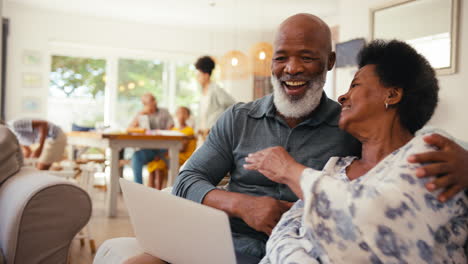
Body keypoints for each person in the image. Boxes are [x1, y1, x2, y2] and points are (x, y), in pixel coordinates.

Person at [127, 13, 468, 263]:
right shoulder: (238, 118)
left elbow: (398, 150)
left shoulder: (351, 128)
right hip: (222, 240)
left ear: (329, 62)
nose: (292, 68)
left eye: (306, 57)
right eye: (281, 58)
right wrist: (243, 205)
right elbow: (187, 181)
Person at [245, 39, 467, 263]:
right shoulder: (336, 166)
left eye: (355, 85)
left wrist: (290, 170)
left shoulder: (432, 153)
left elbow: (369, 218)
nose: (342, 97)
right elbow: (284, 230)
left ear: (391, 95)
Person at [146, 106, 196, 189]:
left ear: (188, 116)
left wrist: (163, 154)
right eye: (179, 113)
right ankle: (151, 190)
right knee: (154, 163)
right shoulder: (174, 130)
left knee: (159, 162)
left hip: (182, 156)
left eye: (184, 113)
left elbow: (182, 148)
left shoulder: (189, 130)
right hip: (171, 154)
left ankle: (159, 191)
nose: (181, 115)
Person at [129, 93, 174, 184]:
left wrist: (160, 132)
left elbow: (171, 127)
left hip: (163, 148)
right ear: (144, 104)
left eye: (154, 99)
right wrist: (140, 114)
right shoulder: (141, 114)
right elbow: (129, 129)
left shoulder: (164, 112)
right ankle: (138, 187)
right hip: (149, 150)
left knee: (171, 157)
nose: (154, 102)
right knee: (136, 157)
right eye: (151, 101)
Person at [194, 56, 235, 141]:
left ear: (206, 75)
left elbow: (233, 105)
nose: (197, 78)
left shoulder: (216, 89)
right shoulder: (202, 92)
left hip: (214, 134)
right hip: (203, 136)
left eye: (198, 75)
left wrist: (215, 125)